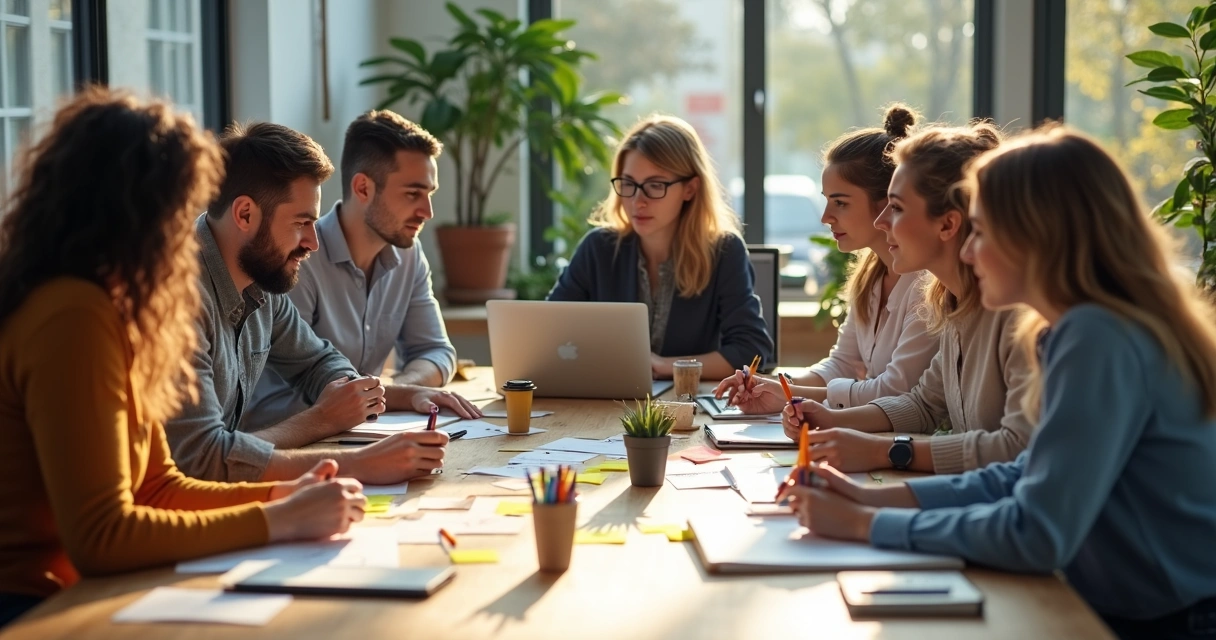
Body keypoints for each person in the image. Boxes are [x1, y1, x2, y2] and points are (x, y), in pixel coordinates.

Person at [782, 127, 1216, 640]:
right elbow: (1020, 475)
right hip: (1120, 604)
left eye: (982, 232)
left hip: (1163, 622)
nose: (969, 252)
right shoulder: (1075, 328)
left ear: (1036, 236)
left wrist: (863, 524)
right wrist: (864, 499)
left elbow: (1037, 532)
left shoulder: (1098, 337)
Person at [0, 89, 366, 627]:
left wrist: (282, 495)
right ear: (135, 215)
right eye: (181, 208)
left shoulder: (120, 308)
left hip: (93, 592)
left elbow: (158, 487)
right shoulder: (70, 314)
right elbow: (101, 536)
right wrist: (277, 521)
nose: (193, 231)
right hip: (37, 609)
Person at [165, 122, 450, 484]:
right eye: (302, 222)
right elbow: (201, 460)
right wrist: (330, 426)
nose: (313, 243)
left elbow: (318, 361)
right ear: (245, 215)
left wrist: (348, 391)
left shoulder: (261, 283)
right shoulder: (177, 298)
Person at [782, 122, 1033, 475]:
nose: (882, 221)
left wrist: (882, 452)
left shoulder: (1017, 316)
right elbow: (924, 404)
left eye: (896, 207)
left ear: (948, 225)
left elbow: (1017, 448)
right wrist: (829, 416)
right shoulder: (950, 301)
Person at [246, 111, 479, 428]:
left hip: (362, 428)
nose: (427, 212)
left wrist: (401, 389)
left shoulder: (408, 255)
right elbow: (299, 387)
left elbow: (436, 351)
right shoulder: (296, 258)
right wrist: (395, 395)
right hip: (290, 437)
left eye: (429, 194)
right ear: (363, 188)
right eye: (413, 194)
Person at [714, 104, 937, 411]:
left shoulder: (926, 285)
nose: (825, 217)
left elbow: (893, 391)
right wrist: (780, 386)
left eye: (840, 203)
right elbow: (841, 365)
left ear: (887, 202)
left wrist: (792, 394)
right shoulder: (870, 275)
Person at [547, 115, 773, 380]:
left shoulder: (723, 251)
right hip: (604, 400)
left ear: (690, 189)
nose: (637, 201)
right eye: (629, 184)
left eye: (655, 185)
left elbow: (753, 352)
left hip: (685, 405)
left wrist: (667, 366)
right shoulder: (598, 248)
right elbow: (548, 334)